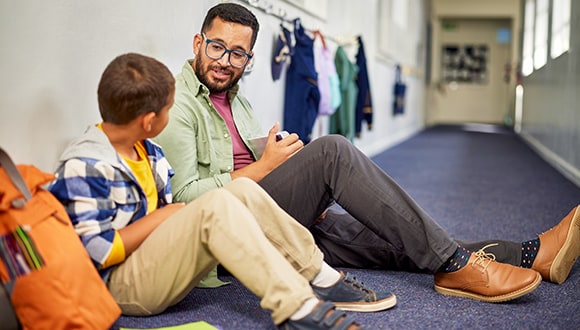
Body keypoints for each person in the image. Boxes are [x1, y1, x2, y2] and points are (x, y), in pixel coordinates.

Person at [153, 1, 580, 304]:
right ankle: (455, 264)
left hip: (272, 217)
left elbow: (245, 162)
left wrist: (288, 168)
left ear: (249, 58)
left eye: (238, 53)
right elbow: (186, 204)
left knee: (397, 238)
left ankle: (527, 255)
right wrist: (269, 167)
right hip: (225, 243)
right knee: (333, 151)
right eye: (217, 47)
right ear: (197, 42)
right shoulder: (178, 105)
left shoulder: (236, 98)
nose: (226, 61)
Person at [47, 53, 402, 330]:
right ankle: (296, 307)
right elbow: (98, 251)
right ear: (148, 121)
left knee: (242, 190)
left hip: (155, 263)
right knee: (214, 203)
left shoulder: (148, 151)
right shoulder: (85, 165)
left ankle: (321, 277)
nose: (172, 115)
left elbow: (167, 221)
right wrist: (166, 216)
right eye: (170, 109)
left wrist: (169, 217)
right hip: (123, 289)